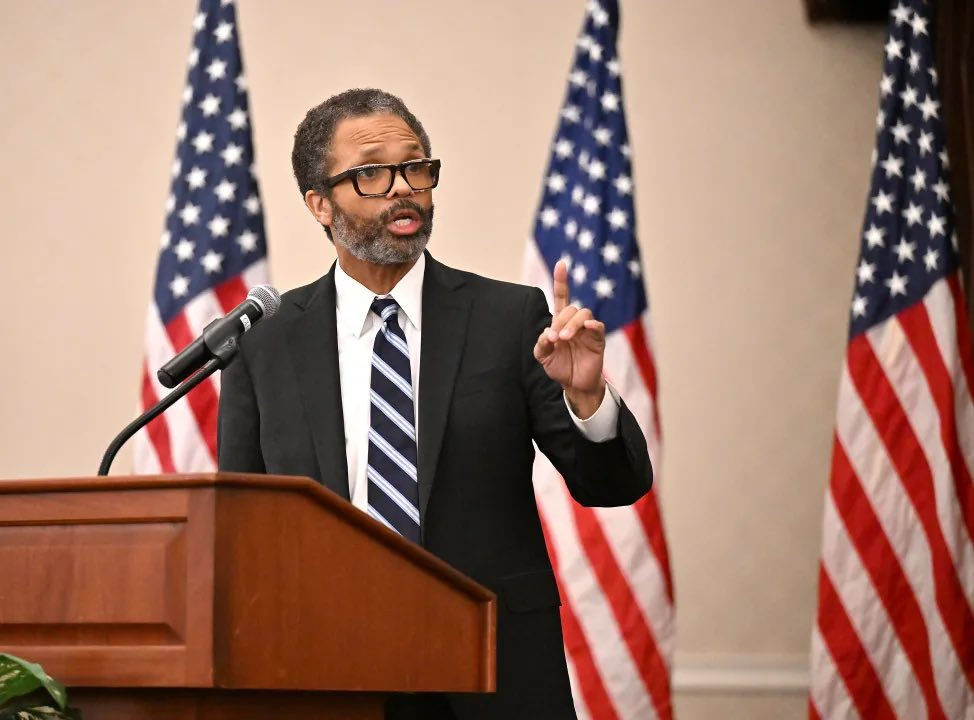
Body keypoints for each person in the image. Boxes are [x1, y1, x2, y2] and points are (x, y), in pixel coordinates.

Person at [217, 88, 653, 719]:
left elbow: (610, 486)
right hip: (326, 670)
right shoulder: (266, 341)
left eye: (415, 167)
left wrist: (586, 397)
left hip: (491, 669)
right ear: (319, 204)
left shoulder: (508, 318)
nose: (403, 188)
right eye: (372, 173)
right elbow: (244, 530)